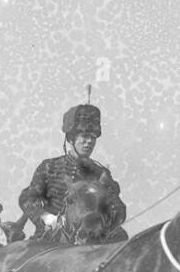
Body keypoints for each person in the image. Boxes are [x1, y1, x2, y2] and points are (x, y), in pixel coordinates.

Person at [13, 99, 127, 243]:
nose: (89, 142)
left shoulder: (101, 174)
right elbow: (27, 199)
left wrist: (101, 222)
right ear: (71, 139)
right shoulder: (50, 167)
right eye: (84, 137)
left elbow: (119, 209)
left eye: (93, 138)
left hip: (92, 241)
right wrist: (46, 217)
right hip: (50, 239)